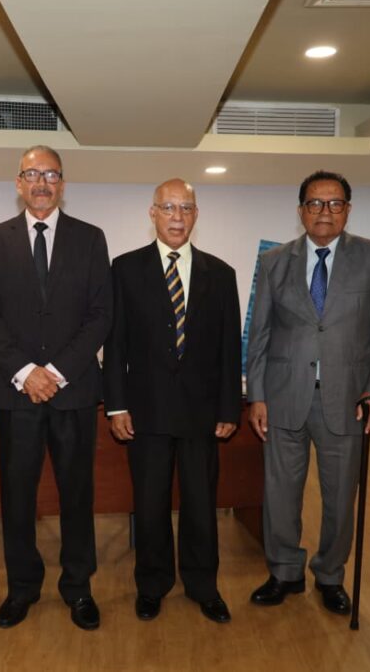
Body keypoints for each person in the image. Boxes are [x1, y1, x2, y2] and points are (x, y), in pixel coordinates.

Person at [245, 170, 370, 615]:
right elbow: (259, 334)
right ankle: (284, 572)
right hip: (283, 397)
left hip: (348, 402)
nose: (324, 212)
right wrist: (257, 395)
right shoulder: (274, 261)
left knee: (339, 497)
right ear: (301, 211)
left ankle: (331, 575)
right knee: (280, 494)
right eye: (315, 203)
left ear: (347, 210)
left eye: (335, 203)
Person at [0, 145, 112, 630]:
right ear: (18, 183)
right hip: (16, 394)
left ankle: (78, 588)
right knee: (17, 497)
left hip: (73, 392)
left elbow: (100, 316)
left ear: (62, 185)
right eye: (32, 174)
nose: (41, 183)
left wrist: (55, 372)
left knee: (77, 495)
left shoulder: (90, 239)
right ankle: (21, 589)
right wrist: (26, 372)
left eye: (51, 175)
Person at [104, 179, 241, 624]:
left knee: (201, 504)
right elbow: (115, 345)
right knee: (150, 505)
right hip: (146, 412)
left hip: (203, 413)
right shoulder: (125, 269)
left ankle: (204, 586)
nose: (177, 217)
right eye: (168, 208)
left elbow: (229, 348)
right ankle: (152, 584)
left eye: (186, 208)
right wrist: (116, 405)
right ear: (153, 213)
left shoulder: (221, 274)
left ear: (196, 214)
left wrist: (229, 407)